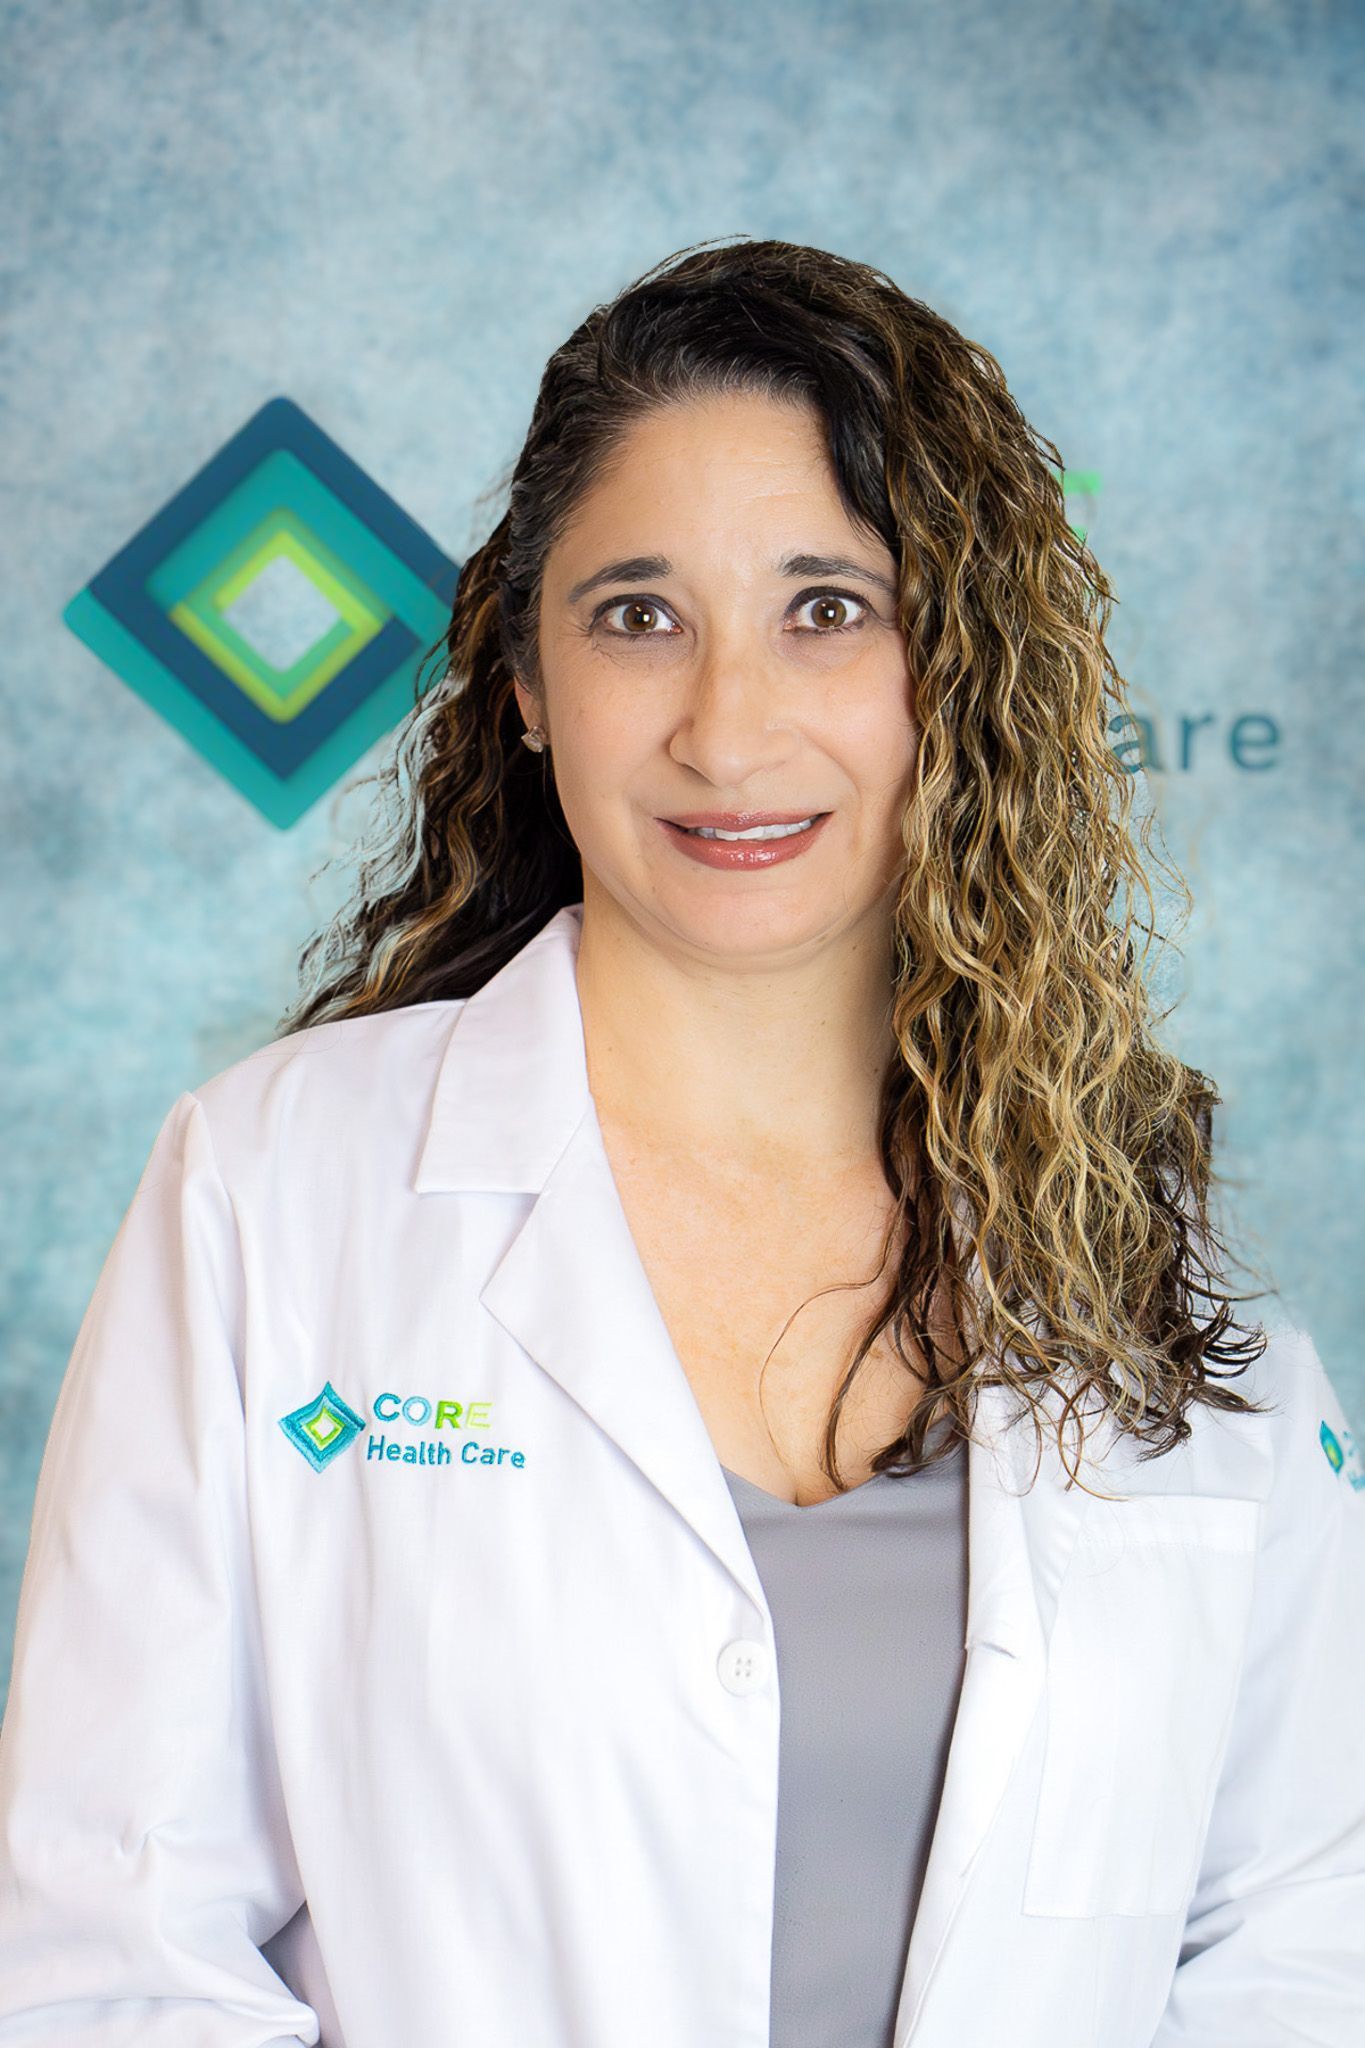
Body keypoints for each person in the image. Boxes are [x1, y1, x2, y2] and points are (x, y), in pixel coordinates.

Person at [1, 236, 1362, 2048]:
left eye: (828, 607)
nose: (729, 725)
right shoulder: (276, 1190)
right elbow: (110, 1956)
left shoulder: (1158, 1296)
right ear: (527, 681)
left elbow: (1297, 1947)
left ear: (952, 676)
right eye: (638, 614)